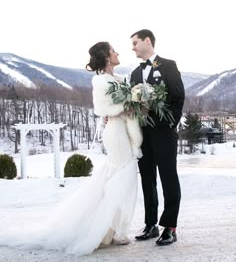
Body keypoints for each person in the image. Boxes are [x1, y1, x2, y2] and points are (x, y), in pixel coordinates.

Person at [0, 42, 142, 257]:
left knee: (118, 177)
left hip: (124, 130)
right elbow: (102, 108)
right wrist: (127, 105)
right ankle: (111, 230)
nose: (117, 52)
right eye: (113, 51)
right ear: (105, 57)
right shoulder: (101, 81)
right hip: (115, 133)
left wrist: (138, 103)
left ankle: (110, 228)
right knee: (121, 176)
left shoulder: (120, 80)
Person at [130, 29, 185, 245]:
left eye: (135, 42)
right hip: (143, 134)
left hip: (164, 132)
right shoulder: (135, 73)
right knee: (147, 179)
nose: (133, 47)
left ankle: (170, 227)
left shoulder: (168, 65)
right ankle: (151, 224)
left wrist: (170, 123)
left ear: (147, 41)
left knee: (168, 177)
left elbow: (178, 96)